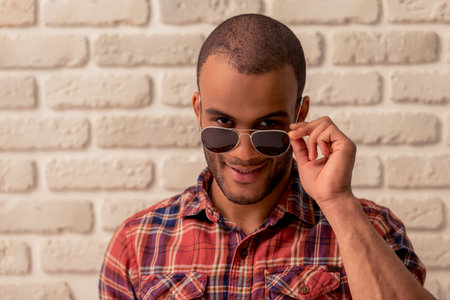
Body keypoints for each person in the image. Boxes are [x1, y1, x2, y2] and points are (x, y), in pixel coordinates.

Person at [99, 14, 434, 299]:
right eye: (223, 124)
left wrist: (338, 202)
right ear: (198, 111)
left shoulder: (371, 230)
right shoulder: (138, 243)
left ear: (299, 114)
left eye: (268, 127)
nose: (243, 153)